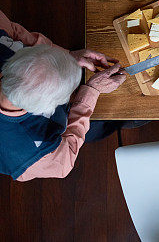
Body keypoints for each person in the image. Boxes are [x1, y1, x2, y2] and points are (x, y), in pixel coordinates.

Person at [0, 10, 127, 181]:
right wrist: (90, 92)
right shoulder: (31, 157)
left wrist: (68, 56)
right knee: (120, 118)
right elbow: (66, 157)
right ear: (46, 108)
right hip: (65, 128)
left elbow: (13, 33)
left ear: (19, 55)